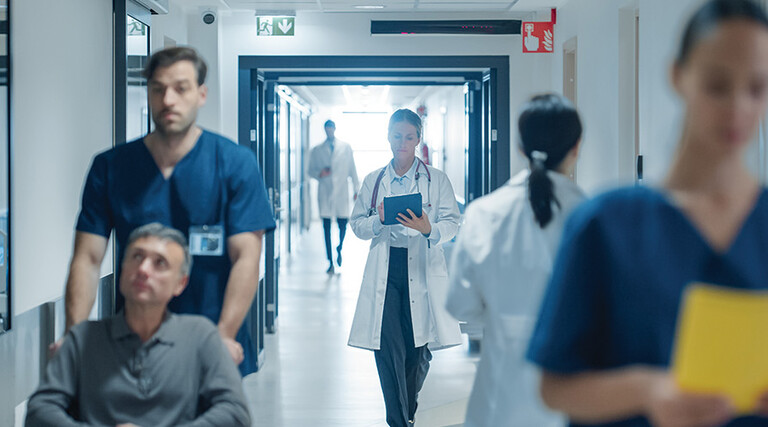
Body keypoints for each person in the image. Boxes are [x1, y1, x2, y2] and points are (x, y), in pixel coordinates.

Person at [526, 1, 768, 426]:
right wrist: (649, 390)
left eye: (757, 88)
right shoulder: (606, 224)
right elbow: (555, 385)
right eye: (717, 85)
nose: (738, 108)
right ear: (678, 76)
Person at [58, 46, 275, 376]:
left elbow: (246, 256)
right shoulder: (111, 167)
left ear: (201, 94)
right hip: (133, 341)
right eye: (158, 89)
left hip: (210, 341)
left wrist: (223, 336)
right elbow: (87, 259)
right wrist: (75, 336)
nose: (168, 99)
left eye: (181, 88)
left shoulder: (233, 164)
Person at [446, 94, 584, 427]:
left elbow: (460, 306)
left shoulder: (484, 213)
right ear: (576, 147)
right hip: (572, 396)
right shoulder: (590, 216)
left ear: (520, 148)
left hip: (499, 401)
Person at [26, 223, 250, 427]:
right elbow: (40, 412)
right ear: (122, 269)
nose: (143, 269)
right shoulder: (83, 339)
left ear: (180, 284)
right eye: (136, 257)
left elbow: (235, 413)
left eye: (159, 263)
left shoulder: (200, 336)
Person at [348, 109, 461, 427]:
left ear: (418, 139)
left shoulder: (436, 179)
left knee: (418, 353)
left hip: (422, 270)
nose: (402, 142)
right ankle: (398, 421)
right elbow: (356, 225)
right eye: (397, 135)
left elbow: (452, 222)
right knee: (387, 350)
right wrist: (379, 220)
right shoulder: (374, 181)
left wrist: (429, 228)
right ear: (388, 136)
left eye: (409, 137)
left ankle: (407, 412)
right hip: (387, 269)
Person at [308, 119, 360, 273]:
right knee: (326, 228)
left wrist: (356, 189)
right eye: (326, 129)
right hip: (325, 191)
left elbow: (352, 169)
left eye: (331, 128)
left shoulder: (346, 148)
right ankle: (330, 261)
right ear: (324, 130)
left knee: (343, 224)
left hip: (342, 192)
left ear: (335, 129)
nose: (329, 131)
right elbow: (310, 170)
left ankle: (339, 248)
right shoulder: (317, 150)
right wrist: (320, 173)